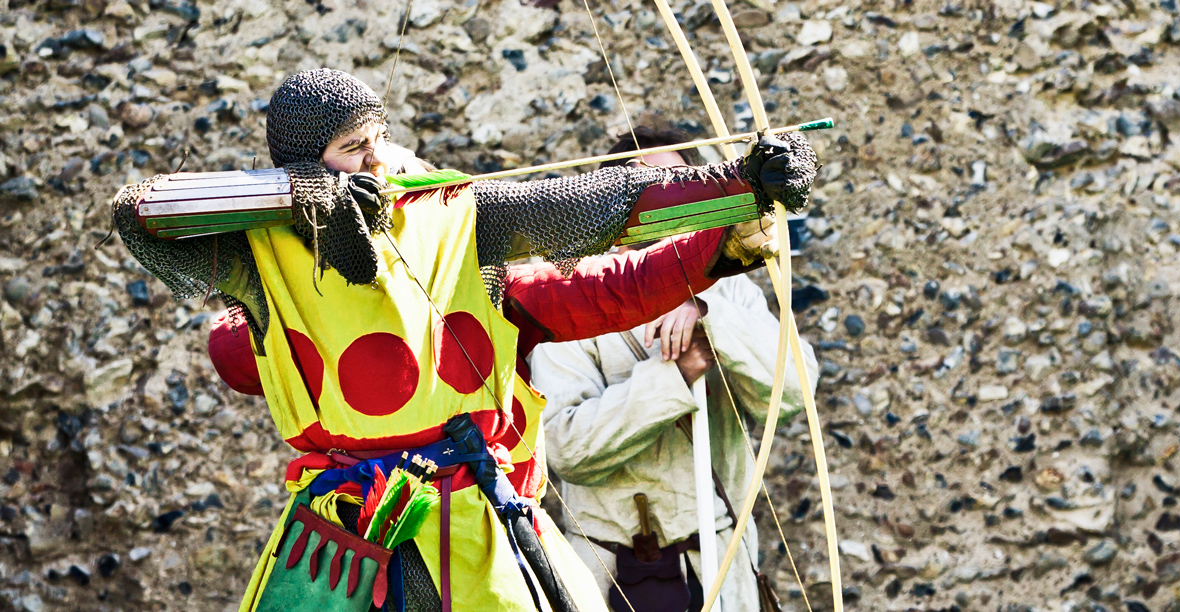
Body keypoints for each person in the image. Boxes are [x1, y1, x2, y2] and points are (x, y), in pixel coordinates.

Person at [109, 69, 818, 612]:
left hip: (478, 521)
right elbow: (140, 215)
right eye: (353, 149)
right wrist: (303, 206)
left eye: (380, 139)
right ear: (305, 162)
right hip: (341, 533)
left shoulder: (456, 221)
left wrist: (742, 191)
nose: (379, 161)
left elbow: (614, 229)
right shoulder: (264, 254)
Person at [530, 128, 818, 612]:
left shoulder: (728, 291)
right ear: (609, 196)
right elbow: (565, 448)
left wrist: (709, 313)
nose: (661, 195)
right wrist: (675, 375)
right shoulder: (565, 293)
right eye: (642, 182)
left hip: (719, 566)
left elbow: (795, 393)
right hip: (611, 573)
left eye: (678, 181)